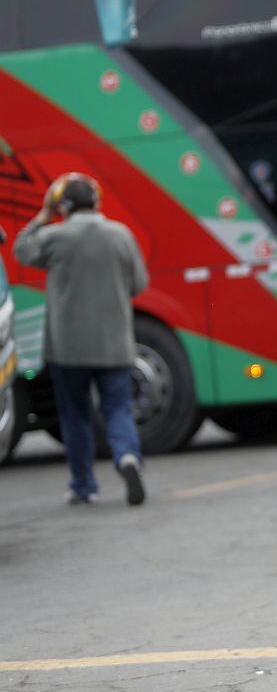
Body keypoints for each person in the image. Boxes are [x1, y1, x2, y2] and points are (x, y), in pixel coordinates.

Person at [14, 173, 149, 506]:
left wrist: (43, 217)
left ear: (63, 207)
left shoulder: (55, 237)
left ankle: (83, 485)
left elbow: (20, 251)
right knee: (118, 409)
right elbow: (140, 283)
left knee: (75, 415)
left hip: (68, 349)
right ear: (97, 201)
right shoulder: (121, 235)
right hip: (114, 343)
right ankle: (127, 457)